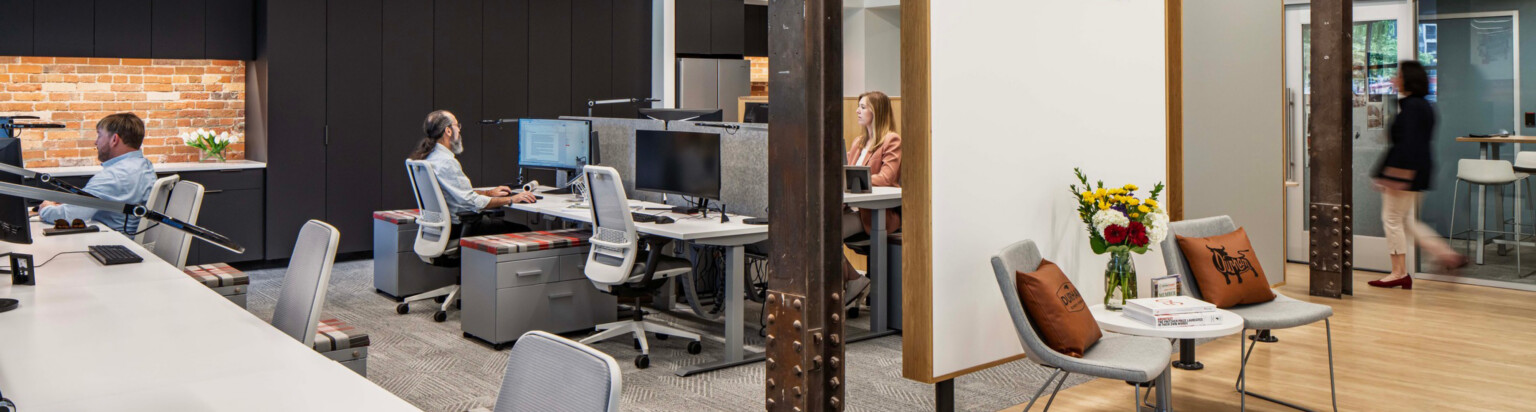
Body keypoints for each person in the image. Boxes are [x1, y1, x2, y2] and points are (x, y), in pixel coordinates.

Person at [1370, 60, 1466, 289]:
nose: (1394, 78)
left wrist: (1395, 174)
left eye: (1398, 75)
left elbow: (1409, 145)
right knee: (1406, 221)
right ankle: (1446, 255)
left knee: (1392, 219)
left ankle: (1398, 272)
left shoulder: (1412, 107)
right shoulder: (1423, 105)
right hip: (1417, 171)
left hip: (1404, 172)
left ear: (1407, 79)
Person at [408, 110, 537, 235]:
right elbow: (472, 202)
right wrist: (511, 199)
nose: (459, 130)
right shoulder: (446, 162)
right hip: (460, 227)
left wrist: (489, 193)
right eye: (457, 125)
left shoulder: (430, 157)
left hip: (441, 229)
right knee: (525, 232)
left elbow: (456, 194)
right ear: (448, 131)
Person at [37, 113, 157, 235]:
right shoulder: (145, 166)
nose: (96, 142)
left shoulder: (113, 175)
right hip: (128, 240)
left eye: (99, 135)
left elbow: (67, 217)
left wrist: (45, 208)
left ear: (114, 139)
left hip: (113, 243)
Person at [841, 91, 902, 304]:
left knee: (822, 234)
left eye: (863, 107)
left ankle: (855, 281)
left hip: (873, 213)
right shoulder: (858, 142)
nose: (858, 111)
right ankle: (854, 278)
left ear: (878, 111)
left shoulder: (891, 140)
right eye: (858, 106)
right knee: (813, 232)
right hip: (852, 209)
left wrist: (855, 181)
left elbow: (887, 177)